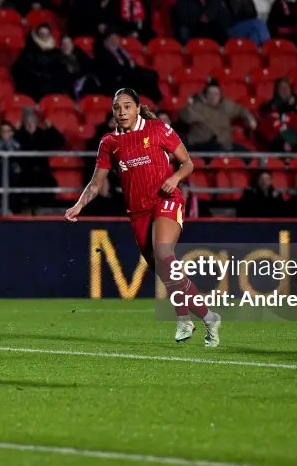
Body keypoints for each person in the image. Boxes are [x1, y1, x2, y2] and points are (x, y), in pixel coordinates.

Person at [64, 88, 221, 346]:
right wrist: (79, 205)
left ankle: (184, 318)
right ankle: (207, 317)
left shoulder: (158, 128)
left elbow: (188, 163)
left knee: (163, 254)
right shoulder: (109, 143)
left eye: (127, 106)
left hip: (165, 201)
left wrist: (174, 178)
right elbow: (95, 184)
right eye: (117, 108)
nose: (122, 112)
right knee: (165, 271)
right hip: (137, 212)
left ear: (138, 108)